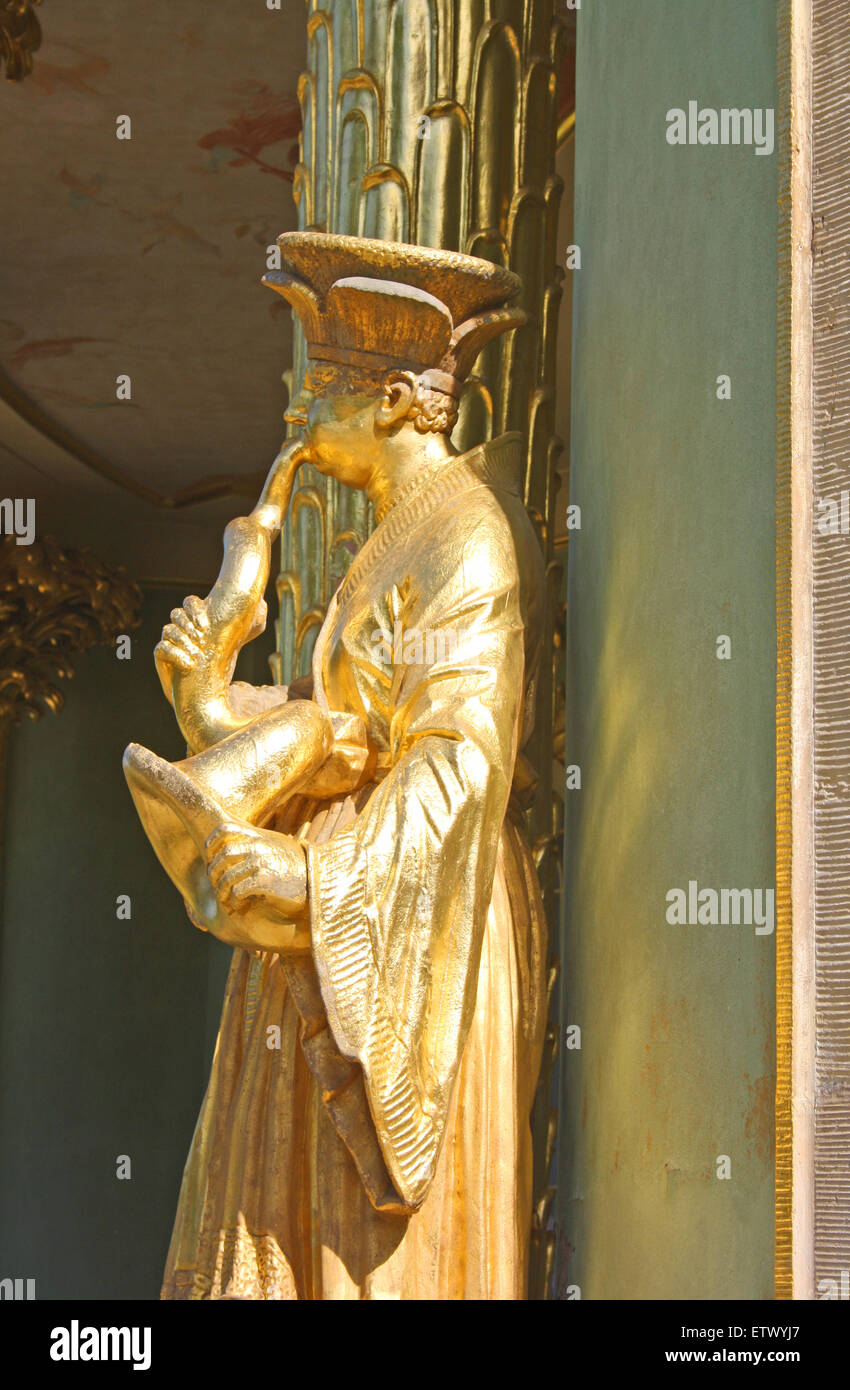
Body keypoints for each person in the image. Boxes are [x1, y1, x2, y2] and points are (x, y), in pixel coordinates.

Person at [129, 232, 548, 1299]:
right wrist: (210, 696)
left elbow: (458, 763)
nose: (301, 417)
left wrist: (318, 882)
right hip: (341, 916)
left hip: (405, 916)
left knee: (362, 1248)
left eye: (325, 390)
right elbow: (339, 730)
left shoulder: (469, 535)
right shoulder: (392, 538)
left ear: (402, 400)